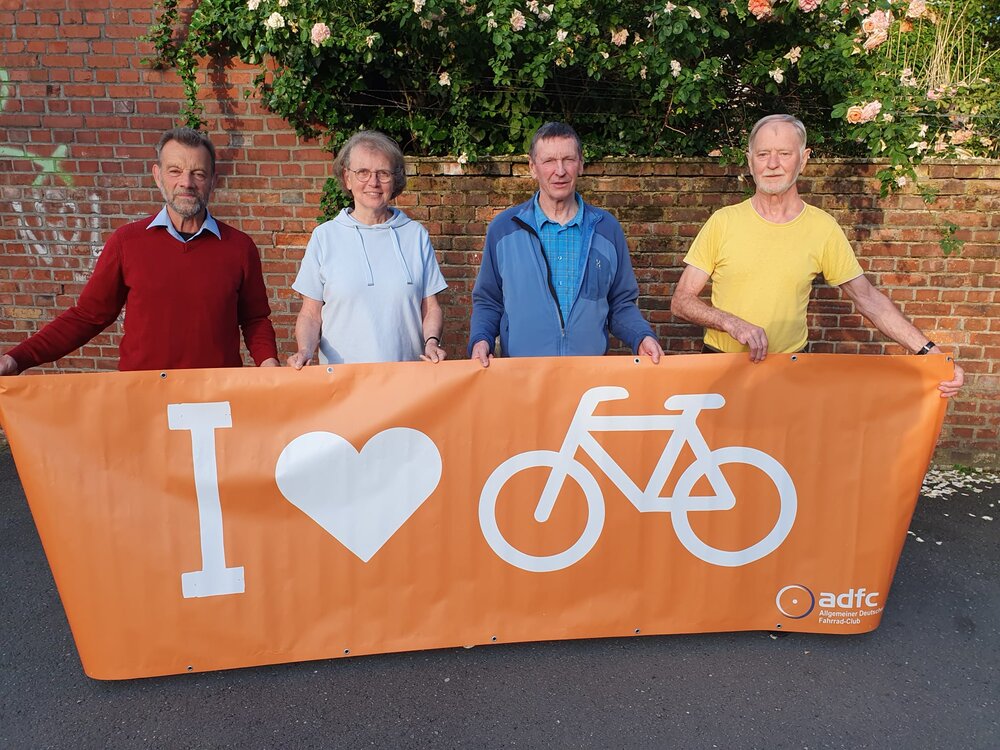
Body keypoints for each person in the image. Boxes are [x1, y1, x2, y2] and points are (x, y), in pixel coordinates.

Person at [670, 113, 964, 397]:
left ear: (804, 159)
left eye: (784, 153)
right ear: (750, 161)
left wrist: (931, 354)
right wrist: (730, 323)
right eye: (762, 154)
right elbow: (682, 301)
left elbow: (869, 300)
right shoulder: (723, 222)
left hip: (788, 375)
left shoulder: (823, 228)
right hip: (721, 369)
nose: (772, 164)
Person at [0, 127, 279, 375]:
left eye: (198, 173)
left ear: (213, 180)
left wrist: (269, 364)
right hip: (143, 396)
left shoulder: (239, 247)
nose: (186, 182)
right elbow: (87, 316)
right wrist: (17, 358)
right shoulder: (126, 243)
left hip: (214, 397)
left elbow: (254, 319)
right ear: (158, 176)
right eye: (175, 171)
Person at [468, 121, 662, 366]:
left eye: (568, 159)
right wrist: (481, 339)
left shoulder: (606, 229)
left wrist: (641, 336)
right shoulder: (504, 229)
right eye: (549, 161)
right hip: (522, 375)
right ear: (533, 167)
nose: (559, 171)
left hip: (587, 376)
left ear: (580, 164)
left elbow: (621, 304)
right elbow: (489, 301)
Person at [287, 131, 448, 367]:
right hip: (342, 379)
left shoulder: (415, 235)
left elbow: (430, 307)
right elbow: (311, 314)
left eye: (383, 173)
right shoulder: (325, 237)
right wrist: (305, 350)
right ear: (347, 178)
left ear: (395, 180)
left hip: (405, 377)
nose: (373, 182)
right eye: (362, 172)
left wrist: (432, 342)